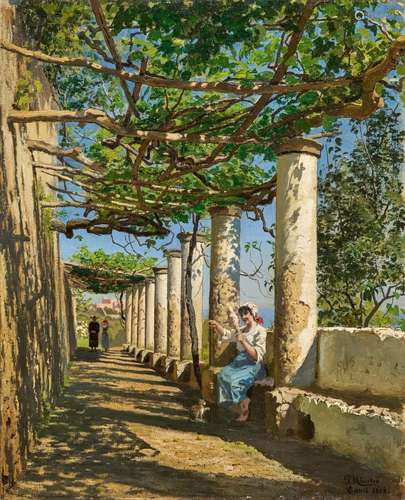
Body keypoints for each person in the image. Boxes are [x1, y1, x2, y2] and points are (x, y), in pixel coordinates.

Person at [208, 303, 267, 423]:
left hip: (252, 365)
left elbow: (257, 356)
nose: (243, 317)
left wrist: (243, 342)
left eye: (246, 313)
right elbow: (227, 335)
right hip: (239, 363)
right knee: (222, 376)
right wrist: (217, 326)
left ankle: (244, 405)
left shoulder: (260, 331)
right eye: (241, 314)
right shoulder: (241, 330)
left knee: (233, 380)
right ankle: (237, 404)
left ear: (253, 314)